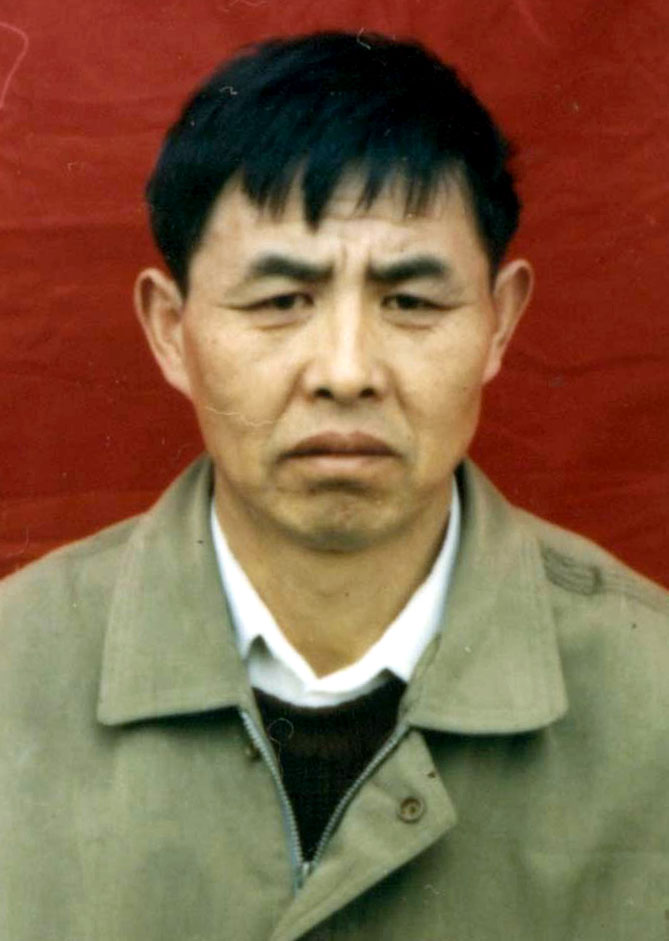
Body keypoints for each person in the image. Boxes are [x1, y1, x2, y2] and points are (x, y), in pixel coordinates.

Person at [1, 30, 667, 941]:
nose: (346, 372)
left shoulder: (651, 694)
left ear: (499, 322)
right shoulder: (17, 670)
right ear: (170, 330)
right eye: (280, 301)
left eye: (410, 301)